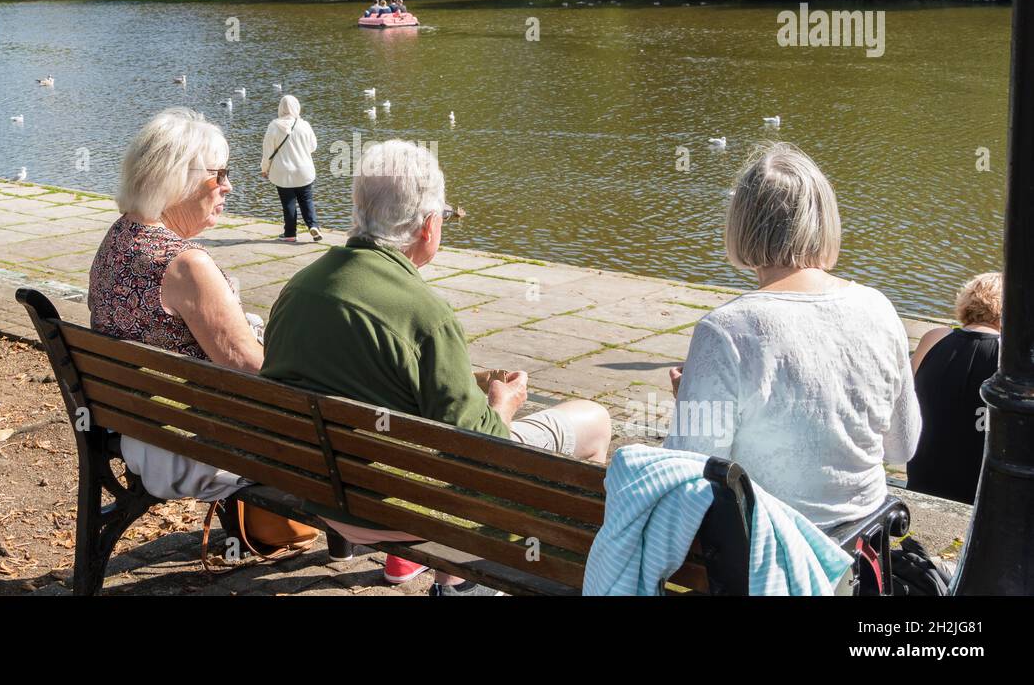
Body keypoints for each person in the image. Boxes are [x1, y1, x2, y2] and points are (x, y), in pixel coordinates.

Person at [262, 139, 611, 594]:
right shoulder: (426, 314)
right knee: (594, 421)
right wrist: (502, 404)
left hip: (317, 491)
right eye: (442, 217)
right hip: (402, 511)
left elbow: (365, 377)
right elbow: (484, 449)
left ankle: (454, 576)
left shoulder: (299, 288)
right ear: (428, 226)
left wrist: (460, 380)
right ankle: (528, 572)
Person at [664, 142, 920, 530]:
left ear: (740, 224)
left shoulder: (727, 329)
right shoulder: (878, 307)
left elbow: (690, 467)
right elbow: (903, 445)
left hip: (768, 553)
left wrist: (695, 401)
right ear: (825, 219)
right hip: (858, 545)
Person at [88, 107, 264, 499]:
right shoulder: (185, 264)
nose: (228, 186)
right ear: (176, 181)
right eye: (218, 174)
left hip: (138, 428)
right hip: (187, 446)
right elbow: (250, 366)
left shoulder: (120, 237)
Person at [906, 273, 1001, 503]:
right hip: (977, 485)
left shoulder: (934, 338)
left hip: (923, 473)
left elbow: (904, 392)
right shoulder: (1007, 356)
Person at [261, 95, 321, 244]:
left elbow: (268, 151)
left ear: (280, 108)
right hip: (304, 170)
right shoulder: (304, 125)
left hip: (282, 171)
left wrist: (265, 168)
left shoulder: (274, 126)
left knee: (288, 202)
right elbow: (313, 147)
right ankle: (313, 226)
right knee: (306, 200)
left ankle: (290, 233)